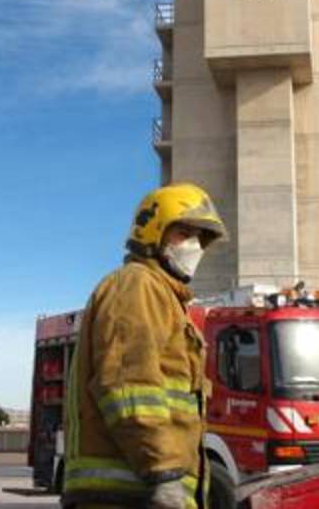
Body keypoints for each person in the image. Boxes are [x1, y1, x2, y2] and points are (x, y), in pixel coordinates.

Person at [62, 183, 227, 509]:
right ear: (154, 232)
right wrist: (163, 475)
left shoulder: (167, 297)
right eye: (184, 232)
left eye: (200, 238)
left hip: (143, 491)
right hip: (127, 494)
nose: (194, 246)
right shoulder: (138, 285)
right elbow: (129, 387)